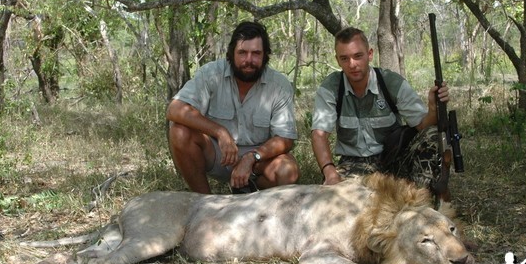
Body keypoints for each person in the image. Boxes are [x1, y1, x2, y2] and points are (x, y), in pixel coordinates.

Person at [167, 20, 300, 194]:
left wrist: (252, 157)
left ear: (265, 56)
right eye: (242, 53)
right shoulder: (211, 74)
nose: (249, 60)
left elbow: (285, 139)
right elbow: (175, 109)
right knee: (179, 131)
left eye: (256, 53)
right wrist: (220, 132)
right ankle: (205, 202)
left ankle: (254, 199)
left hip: (260, 160)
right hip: (218, 154)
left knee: (288, 171)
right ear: (231, 53)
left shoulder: (279, 85)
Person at [310, 26, 449, 188]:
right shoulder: (330, 88)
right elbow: (319, 135)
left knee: (433, 135)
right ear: (337, 60)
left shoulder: (392, 83)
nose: (352, 64)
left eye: (358, 56)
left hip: (395, 157)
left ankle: (429, 192)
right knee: (345, 201)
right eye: (344, 58)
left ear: (370, 54)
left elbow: (422, 125)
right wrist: (330, 172)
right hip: (354, 163)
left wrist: (433, 109)